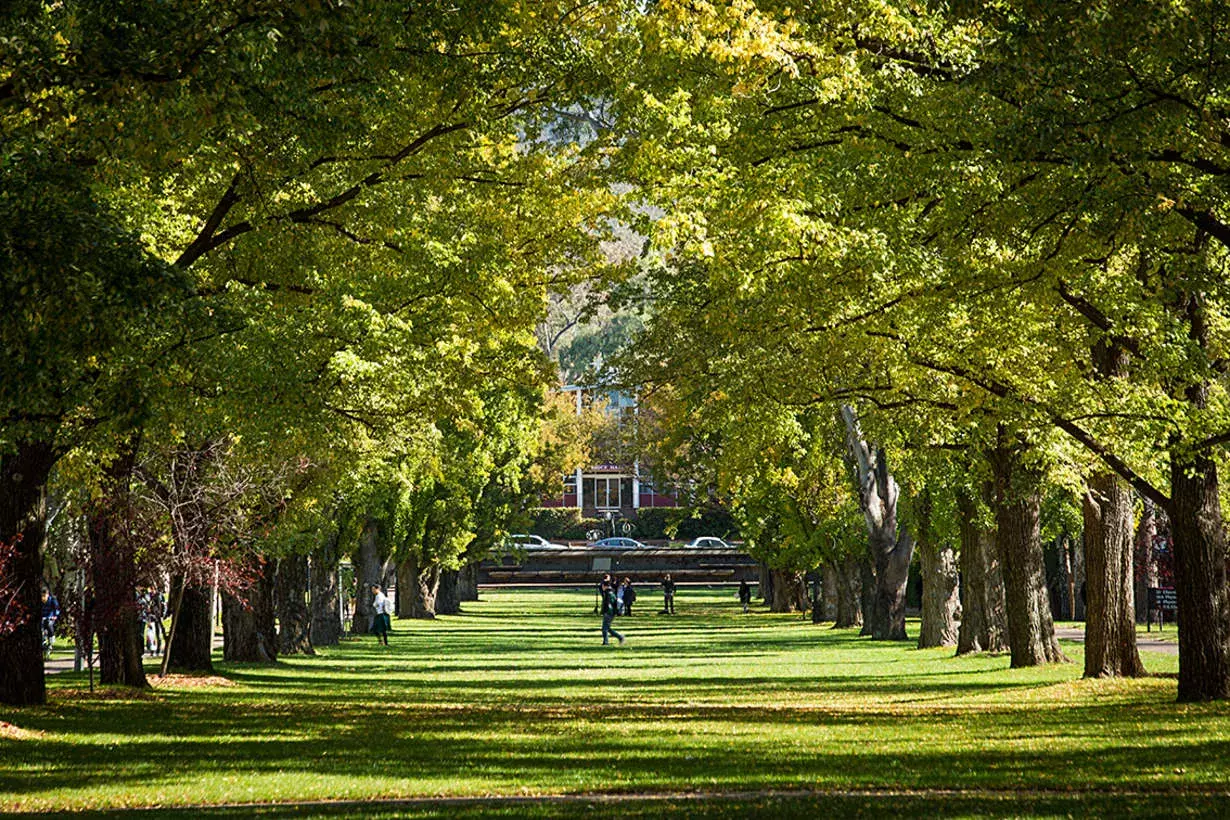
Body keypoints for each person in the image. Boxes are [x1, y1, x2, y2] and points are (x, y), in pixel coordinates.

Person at [599, 580, 625, 645]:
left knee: (604, 628)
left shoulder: (608, 593)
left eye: (602, 586)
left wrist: (605, 611)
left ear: (605, 586)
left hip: (609, 613)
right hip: (610, 612)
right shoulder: (610, 592)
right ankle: (619, 637)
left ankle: (607, 642)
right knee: (607, 628)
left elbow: (608, 604)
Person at [41, 588, 60, 657]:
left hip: (50, 617)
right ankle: (43, 641)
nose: (43, 598)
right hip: (42, 617)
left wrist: (55, 616)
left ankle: (51, 638)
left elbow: (56, 609)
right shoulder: (40, 601)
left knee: (49, 624)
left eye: (44, 595)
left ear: (47, 595)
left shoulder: (52, 600)